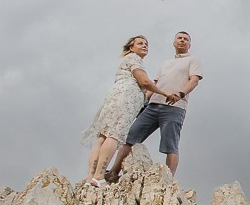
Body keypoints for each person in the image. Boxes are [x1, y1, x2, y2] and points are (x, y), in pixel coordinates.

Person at [83, 35, 166, 182]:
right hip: (126, 98)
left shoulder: (126, 60)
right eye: (140, 43)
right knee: (114, 135)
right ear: (131, 47)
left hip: (114, 97)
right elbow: (144, 81)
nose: (145, 45)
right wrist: (165, 93)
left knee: (102, 137)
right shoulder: (134, 59)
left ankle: (91, 176)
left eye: (146, 44)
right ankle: (99, 176)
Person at [118, 30, 201, 175]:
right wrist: (143, 102)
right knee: (130, 137)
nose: (182, 40)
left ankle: (168, 179)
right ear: (174, 42)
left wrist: (180, 94)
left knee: (171, 145)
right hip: (153, 106)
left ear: (190, 44)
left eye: (185, 39)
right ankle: (113, 171)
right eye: (179, 38)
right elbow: (155, 84)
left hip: (174, 107)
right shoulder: (166, 63)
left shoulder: (192, 60)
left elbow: (194, 81)